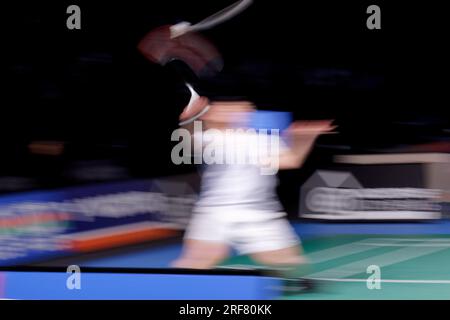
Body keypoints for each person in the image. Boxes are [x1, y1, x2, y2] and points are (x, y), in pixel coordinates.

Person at [172, 86, 335, 291]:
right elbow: (188, 142)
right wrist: (188, 119)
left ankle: (285, 282)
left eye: (239, 108)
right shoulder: (210, 138)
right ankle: (168, 288)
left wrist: (304, 137)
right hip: (215, 212)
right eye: (222, 109)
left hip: (259, 212)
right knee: (197, 261)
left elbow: (291, 160)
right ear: (211, 114)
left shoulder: (263, 139)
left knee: (289, 262)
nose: (232, 111)